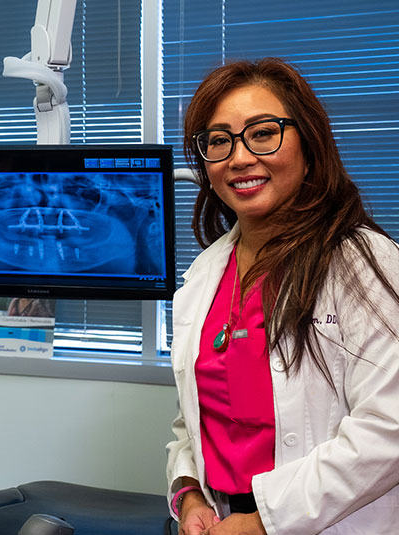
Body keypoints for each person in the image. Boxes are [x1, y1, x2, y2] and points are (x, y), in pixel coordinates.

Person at [166, 58, 399, 535]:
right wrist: (188, 492)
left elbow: (388, 428)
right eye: (218, 141)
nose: (239, 157)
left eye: (263, 132)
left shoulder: (362, 263)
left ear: (309, 144)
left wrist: (264, 522)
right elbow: (195, 417)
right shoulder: (204, 275)